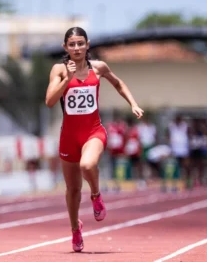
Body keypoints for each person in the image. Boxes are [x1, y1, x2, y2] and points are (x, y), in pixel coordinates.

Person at [45, 27, 144, 252]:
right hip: (69, 136)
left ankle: (96, 195)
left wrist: (133, 104)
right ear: (65, 47)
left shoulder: (98, 68)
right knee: (72, 190)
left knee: (87, 165)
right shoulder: (59, 69)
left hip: (93, 132)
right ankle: (75, 230)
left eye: (81, 43)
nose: (77, 48)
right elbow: (50, 101)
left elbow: (118, 84)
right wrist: (67, 79)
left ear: (87, 45)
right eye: (72, 44)